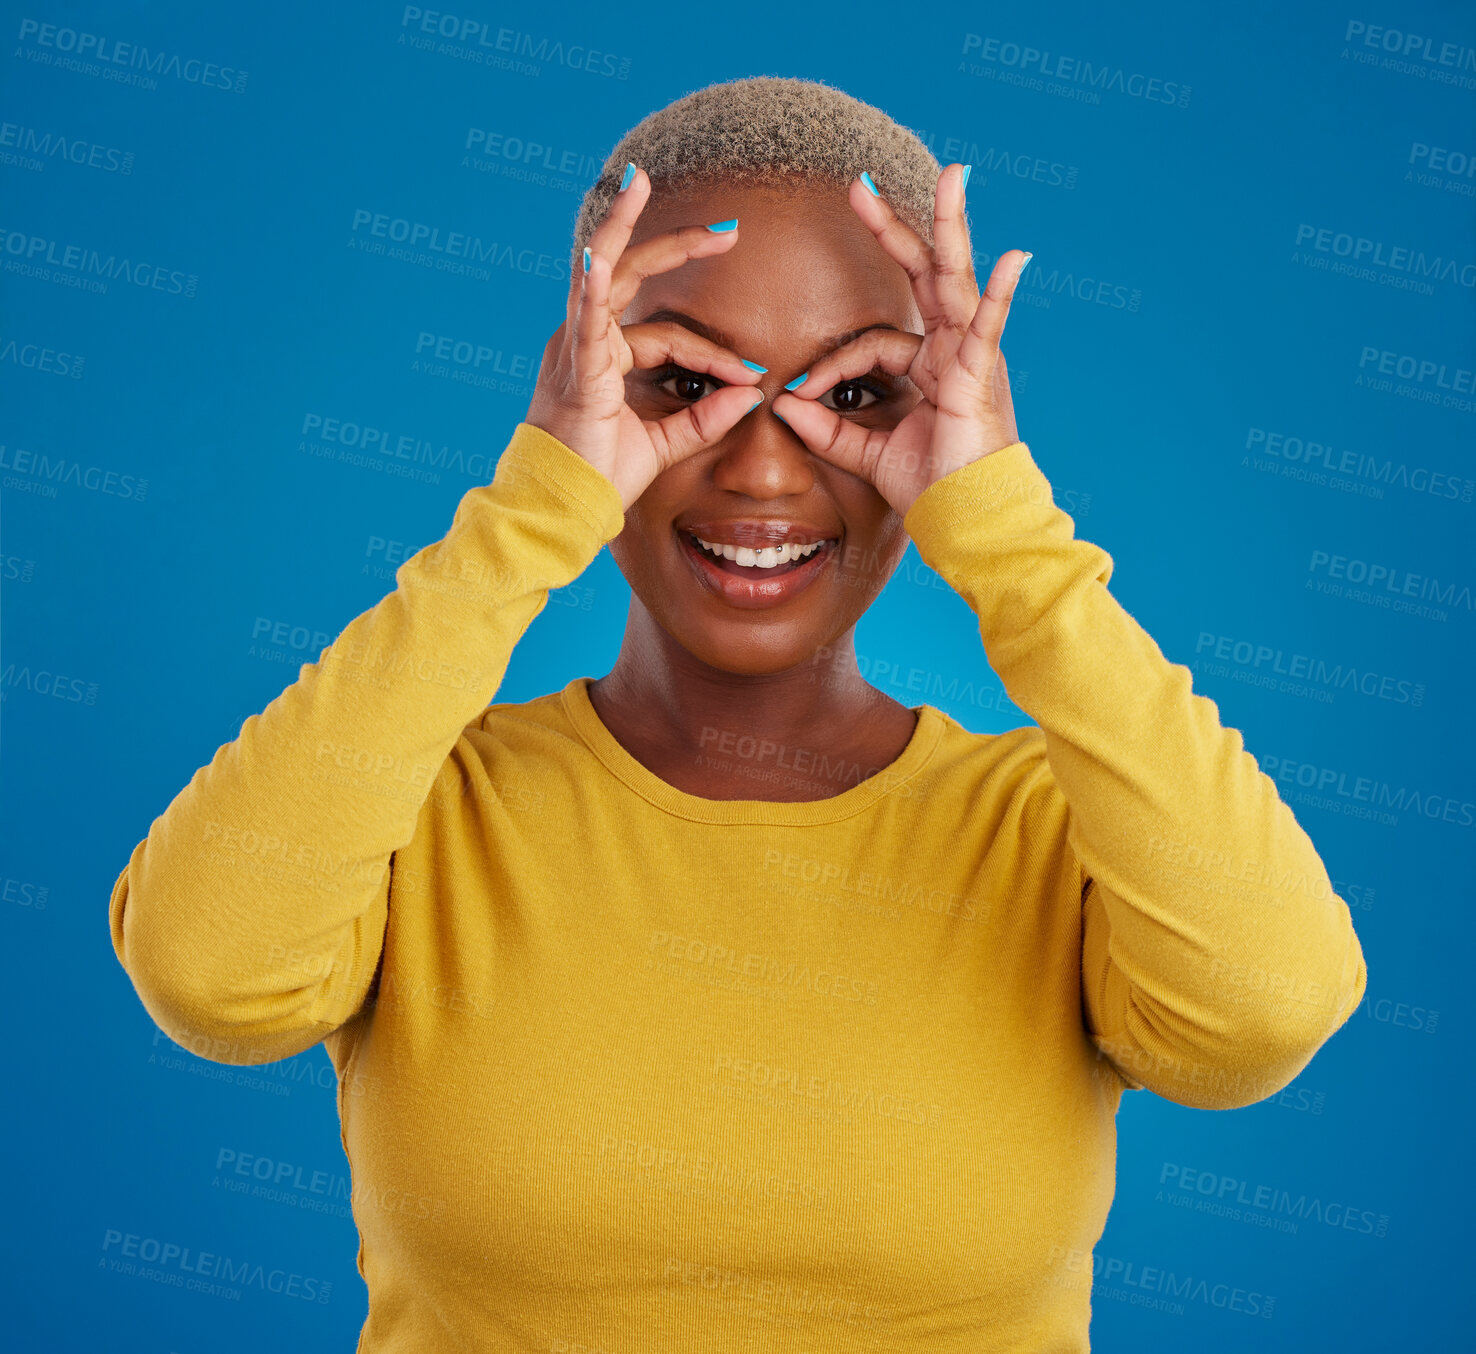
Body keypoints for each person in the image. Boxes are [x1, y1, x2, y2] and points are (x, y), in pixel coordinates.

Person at [108, 76, 1367, 1351]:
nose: (762, 466)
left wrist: (1002, 526)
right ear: (582, 375)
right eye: (677, 378)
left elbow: (1258, 1018)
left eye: (859, 394)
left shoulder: (1066, 834)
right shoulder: (417, 809)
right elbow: (211, 983)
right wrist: (531, 512)